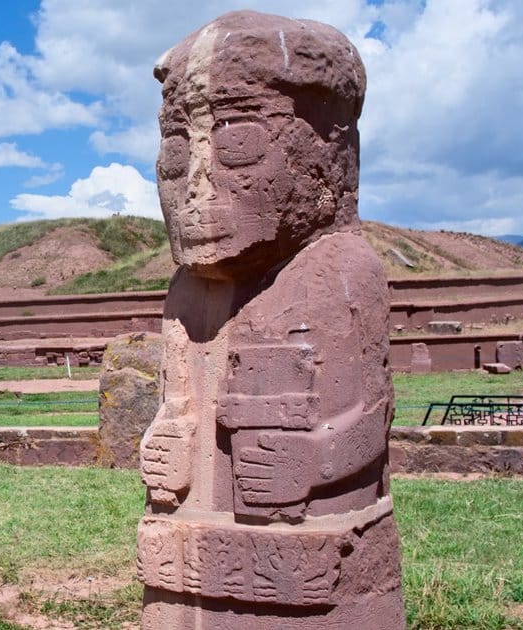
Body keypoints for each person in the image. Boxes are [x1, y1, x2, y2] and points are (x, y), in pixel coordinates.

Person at [137, 11, 402, 628]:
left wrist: (314, 461)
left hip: (308, 566)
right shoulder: (186, 291)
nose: (197, 184)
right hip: (189, 559)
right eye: (178, 147)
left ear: (324, 149)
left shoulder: (343, 272)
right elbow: (177, 405)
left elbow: (374, 414)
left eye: (237, 139)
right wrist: (166, 437)